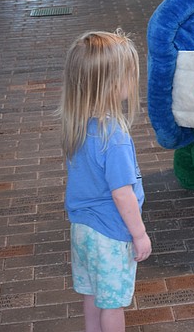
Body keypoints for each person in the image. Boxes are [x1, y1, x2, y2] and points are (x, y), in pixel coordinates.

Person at [60, 30, 151, 332]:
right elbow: (122, 194)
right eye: (130, 75)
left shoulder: (78, 124)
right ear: (113, 84)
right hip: (110, 234)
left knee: (93, 295)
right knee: (113, 305)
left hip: (82, 231)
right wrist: (139, 235)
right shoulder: (115, 137)